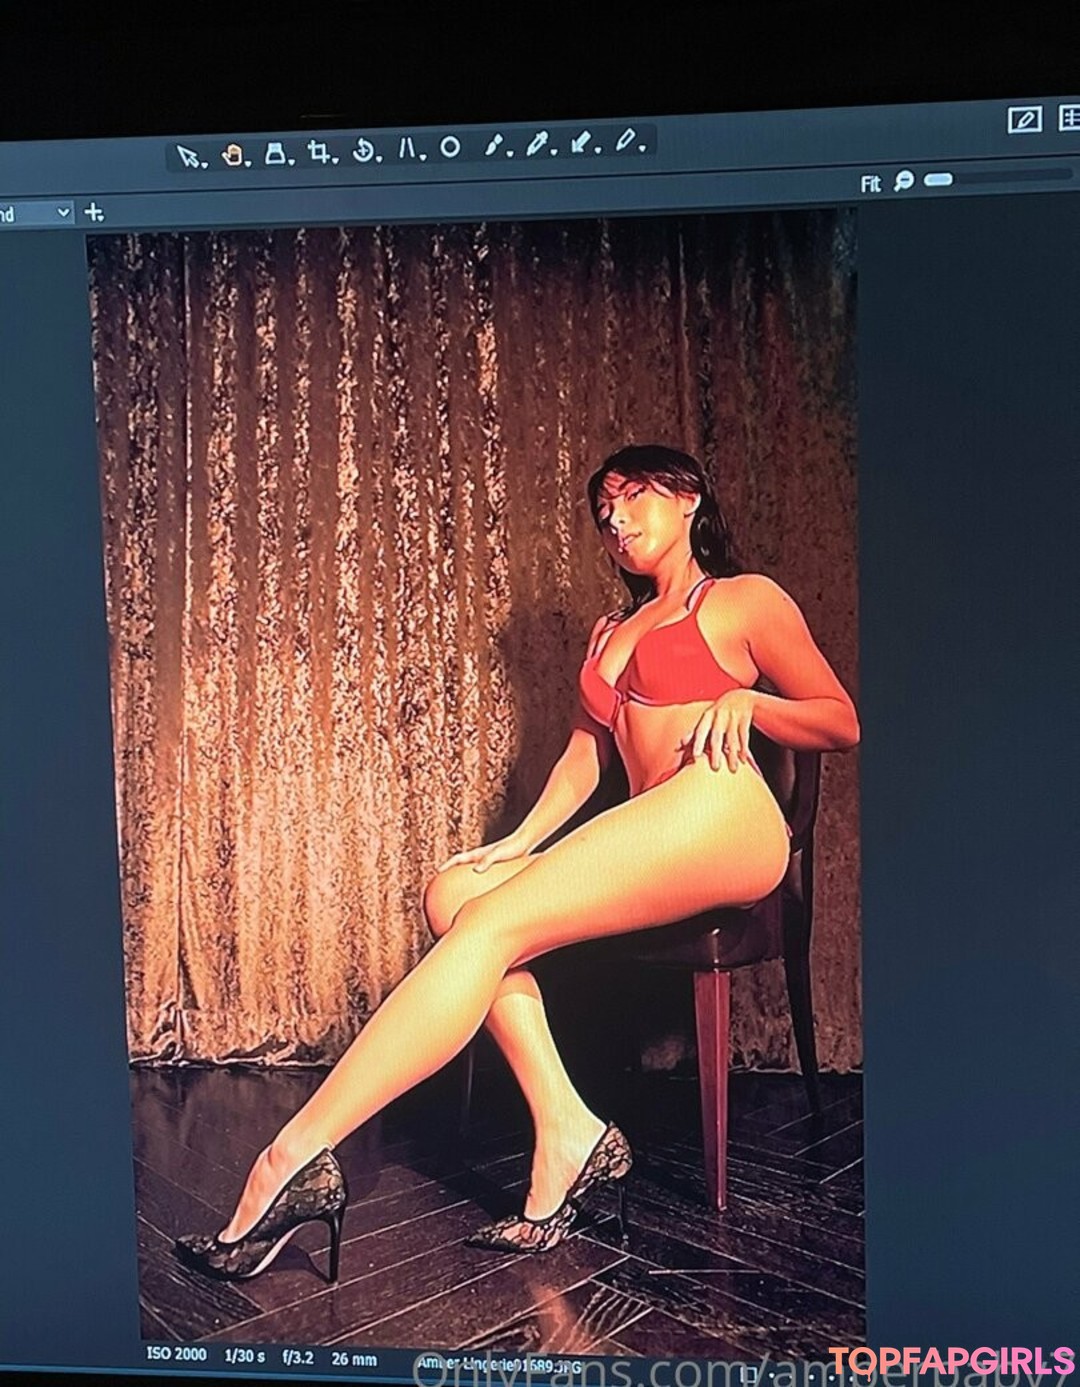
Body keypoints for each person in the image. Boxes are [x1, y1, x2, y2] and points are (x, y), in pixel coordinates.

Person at [175, 444, 860, 1282]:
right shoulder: (610, 631)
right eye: (603, 512)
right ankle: (568, 1130)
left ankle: (293, 1155)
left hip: (726, 809)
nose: (616, 520)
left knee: (492, 920)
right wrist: (516, 842)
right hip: (652, 824)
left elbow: (841, 720)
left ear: (687, 498)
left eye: (634, 497)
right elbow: (584, 759)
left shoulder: (744, 599)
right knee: (455, 892)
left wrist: (748, 700)